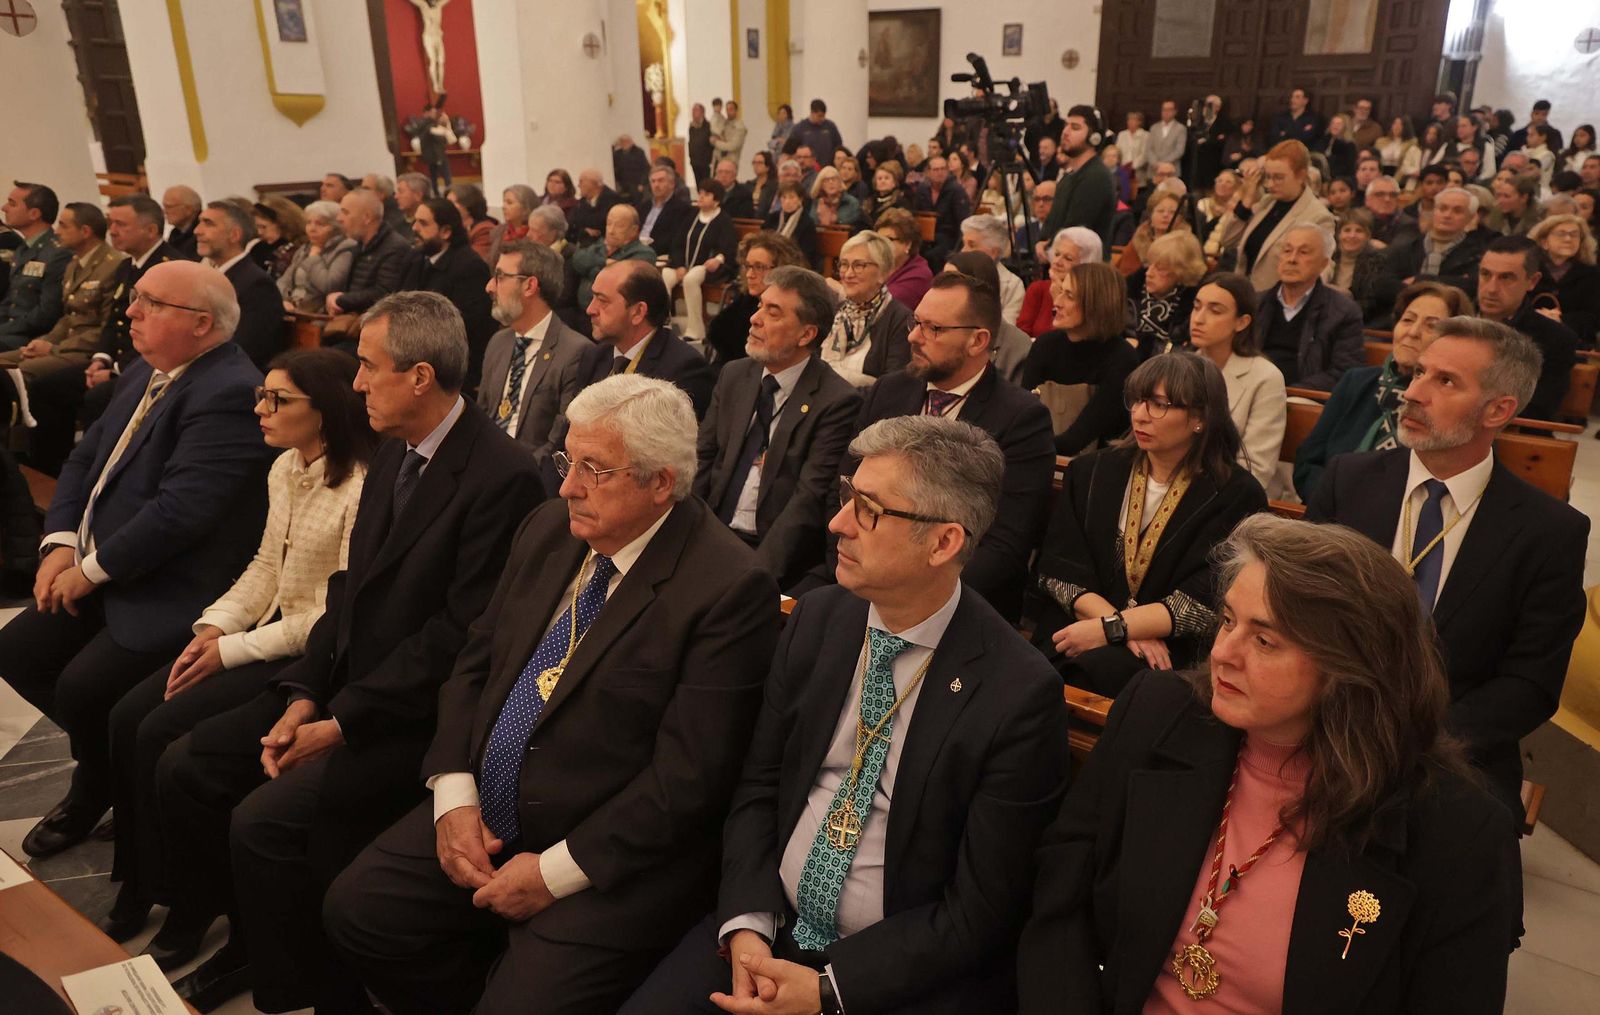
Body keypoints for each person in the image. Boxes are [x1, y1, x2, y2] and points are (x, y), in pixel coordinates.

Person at [324, 372, 780, 1014]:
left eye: (595, 470)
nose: (568, 485)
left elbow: (688, 781)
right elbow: (475, 662)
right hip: (486, 810)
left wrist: (552, 872)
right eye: (569, 460)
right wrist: (453, 792)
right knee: (358, 910)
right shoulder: (548, 527)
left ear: (660, 484)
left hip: (603, 852)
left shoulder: (728, 589)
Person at [152, 292, 544, 1012]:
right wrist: (303, 690)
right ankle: (260, 952)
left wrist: (341, 721)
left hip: (419, 717)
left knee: (265, 824)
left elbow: (459, 636)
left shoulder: (501, 474)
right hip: (348, 685)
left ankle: (311, 988)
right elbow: (350, 590)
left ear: (420, 376)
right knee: (188, 758)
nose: (355, 383)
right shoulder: (393, 446)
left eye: (368, 366)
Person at [631, 414, 1071, 1014]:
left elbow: (980, 910)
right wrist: (747, 924)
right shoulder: (818, 620)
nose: (837, 523)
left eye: (868, 509)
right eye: (846, 496)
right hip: (767, 930)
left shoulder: (1017, 694)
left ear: (944, 542)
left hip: (888, 976)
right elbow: (760, 788)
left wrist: (828, 990)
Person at [1020, 512, 1522, 1015]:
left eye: (1264, 640)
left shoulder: (1456, 832)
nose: (1222, 653)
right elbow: (1062, 895)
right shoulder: (1159, 714)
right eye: (1228, 621)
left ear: (1349, 670)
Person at [99, 348, 373, 950]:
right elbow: (264, 568)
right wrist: (215, 627)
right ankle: (141, 881)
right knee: (126, 717)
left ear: (324, 411)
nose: (261, 409)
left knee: (162, 737)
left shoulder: (359, 486)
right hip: (257, 637)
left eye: (278, 400)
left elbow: (334, 615)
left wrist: (237, 649)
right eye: (261, 396)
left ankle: (191, 906)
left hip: (305, 655)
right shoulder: (284, 468)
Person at [0, 260, 274, 861]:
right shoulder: (149, 371)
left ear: (201, 323)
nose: (130, 312)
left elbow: (180, 513)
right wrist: (60, 543)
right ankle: (112, 775)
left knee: (81, 687)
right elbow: (82, 461)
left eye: (150, 302)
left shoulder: (228, 391)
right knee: (18, 650)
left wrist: (88, 571)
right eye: (136, 299)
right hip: (108, 564)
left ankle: (98, 784)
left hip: (175, 584)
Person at [1306, 316, 1587, 817]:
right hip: (1321, 723)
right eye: (1417, 373)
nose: (1413, 392)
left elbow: (1531, 684)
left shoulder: (1549, 532)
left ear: (1498, 410)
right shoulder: (1347, 482)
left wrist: (1413, 742)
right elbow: (1300, 611)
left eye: (1446, 381)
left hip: (1453, 750)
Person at [809, 271, 1051, 622]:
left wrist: (911, 593)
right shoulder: (889, 391)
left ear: (978, 340)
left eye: (933, 329)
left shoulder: (1020, 418)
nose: (913, 336)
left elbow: (1004, 547)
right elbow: (844, 491)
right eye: (916, 322)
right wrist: (850, 571)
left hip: (955, 606)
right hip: (862, 581)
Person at [1026, 353, 1266, 695]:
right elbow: (1059, 569)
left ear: (1200, 417)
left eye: (1159, 404)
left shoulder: (1236, 494)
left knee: (1107, 677)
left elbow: (1208, 597)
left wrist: (1114, 631)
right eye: (1137, 400)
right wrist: (1116, 627)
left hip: (1171, 649)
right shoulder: (1091, 471)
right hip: (1080, 626)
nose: (1140, 414)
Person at [695, 265, 860, 585]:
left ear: (807, 334)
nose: (754, 319)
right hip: (711, 535)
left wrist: (753, 577)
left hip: (770, 552)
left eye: (773, 312)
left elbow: (807, 500)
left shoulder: (836, 400)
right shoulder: (734, 375)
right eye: (760, 307)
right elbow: (702, 460)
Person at [1294, 281, 1473, 500]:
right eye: (1407, 320)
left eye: (1431, 326)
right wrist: (1336, 501)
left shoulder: (1452, 400)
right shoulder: (1356, 381)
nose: (1413, 332)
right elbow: (1307, 462)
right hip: (1329, 513)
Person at [478, 238, 587, 472]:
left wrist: (509, 473)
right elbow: (482, 418)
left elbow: (559, 444)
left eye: (500, 277)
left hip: (530, 478)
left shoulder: (575, 352)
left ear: (529, 286)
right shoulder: (498, 343)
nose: (489, 286)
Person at [0, 202, 123, 395]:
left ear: (85, 231)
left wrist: (54, 347)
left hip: (85, 351)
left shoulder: (114, 266)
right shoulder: (75, 264)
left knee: (17, 374)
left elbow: (106, 327)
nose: (57, 232)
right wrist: (44, 342)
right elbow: (68, 317)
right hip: (64, 345)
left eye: (64, 226)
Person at [1023, 261, 1140, 456]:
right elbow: (1022, 415)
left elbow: (1075, 441)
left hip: (1095, 468)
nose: (1057, 302)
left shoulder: (1122, 359)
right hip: (1041, 455)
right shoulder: (1045, 345)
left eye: (1069, 296)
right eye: (1061, 292)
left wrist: (1027, 445)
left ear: (1098, 304)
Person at [1185, 273, 1286, 489]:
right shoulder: (1182, 368)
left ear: (1242, 322)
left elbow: (1256, 469)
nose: (1198, 318)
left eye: (1214, 310)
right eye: (1196, 306)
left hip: (1231, 494)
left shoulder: (1265, 377)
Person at [1474, 234, 1577, 420]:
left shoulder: (1556, 339)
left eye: (1506, 278)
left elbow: (1540, 409)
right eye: (1485, 274)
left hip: (1510, 435)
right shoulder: (1452, 314)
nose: (1491, 288)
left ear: (1532, 281)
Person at [400, 198, 497, 393]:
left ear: (446, 231)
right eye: (415, 221)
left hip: (452, 363)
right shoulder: (416, 258)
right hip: (415, 350)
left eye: (423, 223)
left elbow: (464, 325)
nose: (414, 228)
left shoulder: (469, 266)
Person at [1253, 224, 1364, 390]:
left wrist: (1290, 392)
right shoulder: (1255, 303)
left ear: (1323, 264)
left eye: (1303, 252)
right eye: (1287, 251)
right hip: (1253, 390)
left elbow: (1344, 371)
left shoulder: (1343, 311)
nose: (1292, 259)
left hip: (1303, 397)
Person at [1220, 140, 1337, 289]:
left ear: (1301, 175)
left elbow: (1322, 269)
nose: (1270, 184)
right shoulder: (1267, 202)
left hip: (1278, 301)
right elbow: (1227, 240)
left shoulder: (1318, 216)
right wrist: (1247, 200)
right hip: (1246, 294)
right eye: (1268, 177)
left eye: (1278, 177)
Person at [191, 201, 285, 370]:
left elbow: (246, 348)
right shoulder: (214, 276)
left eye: (208, 224)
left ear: (234, 235)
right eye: (199, 222)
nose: (197, 231)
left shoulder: (256, 284)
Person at [819, 231, 913, 389]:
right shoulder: (834, 311)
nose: (848, 274)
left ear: (883, 272)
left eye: (858, 265)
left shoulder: (900, 319)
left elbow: (893, 388)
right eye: (843, 264)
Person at [706, 231, 807, 370]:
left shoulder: (793, 310)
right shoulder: (744, 301)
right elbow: (718, 333)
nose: (749, 274)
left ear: (782, 269)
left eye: (759, 267)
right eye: (748, 266)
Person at [660, 180, 738, 343]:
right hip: (685, 266)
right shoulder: (691, 216)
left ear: (716, 200)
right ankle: (664, 321)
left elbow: (728, 248)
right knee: (666, 274)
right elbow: (677, 243)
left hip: (709, 268)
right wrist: (680, 265)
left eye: (706, 195)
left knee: (691, 278)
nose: (701, 197)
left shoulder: (723, 220)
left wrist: (718, 259)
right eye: (700, 193)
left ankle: (696, 329)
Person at [943, 250, 1030, 386]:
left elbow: (1018, 402)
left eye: (950, 282)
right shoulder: (938, 330)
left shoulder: (1017, 347)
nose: (941, 290)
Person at [1039, 106, 1117, 256]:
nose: (1065, 132)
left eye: (1075, 127)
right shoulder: (1069, 176)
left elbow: (1076, 227)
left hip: (1084, 268)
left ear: (1094, 137)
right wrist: (1042, 241)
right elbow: (1053, 220)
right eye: (1065, 126)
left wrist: (1048, 246)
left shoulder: (1096, 176)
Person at [0, 182, 70, 347]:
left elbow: (46, 314)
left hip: (32, 338)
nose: (4, 208)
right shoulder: (23, 249)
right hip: (9, 332)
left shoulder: (57, 253)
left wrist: (5, 329)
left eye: (12, 203)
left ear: (34, 213)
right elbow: (9, 300)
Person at [326, 190, 410, 318]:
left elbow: (384, 293)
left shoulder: (395, 247)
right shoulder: (360, 244)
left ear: (367, 218)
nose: (339, 218)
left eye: (345, 212)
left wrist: (341, 300)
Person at [1387, 186, 1488, 293]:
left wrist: (1420, 280)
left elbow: (1473, 285)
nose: (1447, 215)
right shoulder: (1408, 247)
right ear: (1434, 211)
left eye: (1457, 211)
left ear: (1471, 217)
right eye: (1442, 208)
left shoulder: (1477, 254)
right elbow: (1384, 283)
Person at [1127, 232, 1206, 360]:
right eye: (1149, 264)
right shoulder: (1129, 293)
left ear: (1181, 273)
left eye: (1160, 269)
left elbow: (1187, 353)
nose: (1148, 273)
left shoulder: (1193, 307)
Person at [1529, 214, 1599, 347]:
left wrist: (1561, 319)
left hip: (1575, 344)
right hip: (1531, 341)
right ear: (1544, 242)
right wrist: (1539, 317)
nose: (1568, 239)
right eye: (1561, 234)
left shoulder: (1592, 273)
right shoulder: (1530, 269)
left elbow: (1594, 316)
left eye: (1574, 235)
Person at [1324, 208, 1404, 325]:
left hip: (1362, 323)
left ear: (1368, 236)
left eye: (1359, 231)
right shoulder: (1328, 258)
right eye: (1347, 230)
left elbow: (1371, 304)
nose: (1352, 235)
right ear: (1339, 234)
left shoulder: (1378, 262)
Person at [275, 200, 356, 314]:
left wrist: (314, 258)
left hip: (319, 315)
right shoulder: (304, 248)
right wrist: (283, 300)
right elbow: (284, 281)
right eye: (309, 223)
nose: (312, 229)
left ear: (335, 227)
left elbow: (329, 285)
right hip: (294, 310)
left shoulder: (345, 248)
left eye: (320, 224)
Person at [571, 204, 656, 309]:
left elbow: (620, 280)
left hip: (617, 315)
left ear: (634, 230)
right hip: (582, 312)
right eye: (609, 224)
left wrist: (589, 270)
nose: (611, 231)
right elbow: (577, 260)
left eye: (619, 225)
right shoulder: (599, 246)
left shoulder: (644, 253)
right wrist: (604, 262)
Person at [1020, 227, 1099, 338]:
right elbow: (1020, 336)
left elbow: (1074, 338)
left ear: (1085, 266)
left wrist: (1058, 298)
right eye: (1057, 254)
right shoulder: (1037, 289)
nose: (1057, 262)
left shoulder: (1090, 297)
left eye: (1068, 258)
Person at [959, 214, 1024, 323]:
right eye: (964, 244)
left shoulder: (1013, 285)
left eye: (971, 245)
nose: (963, 251)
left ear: (993, 252)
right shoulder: (955, 273)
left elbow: (1007, 329)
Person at [913, 155, 972, 270]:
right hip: (924, 237)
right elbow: (916, 214)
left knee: (933, 255)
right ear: (929, 172)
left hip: (948, 237)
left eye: (943, 169)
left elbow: (962, 221)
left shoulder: (956, 190)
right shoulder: (922, 189)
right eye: (936, 169)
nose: (939, 173)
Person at [875, 207, 933, 312]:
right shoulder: (879, 265)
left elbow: (884, 306)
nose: (881, 245)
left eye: (889, 239)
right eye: (879, 240)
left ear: (907, 244)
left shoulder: (920, 275)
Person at [249, 196, 305, 280]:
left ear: (282, 225)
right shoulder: (257, 247)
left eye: (263, 227)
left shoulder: (295, 250)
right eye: (257, 227)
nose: (259, 232)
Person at [765, 181, 818, 266]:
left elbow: (806, 254)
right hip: (770, 261)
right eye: (784, 197)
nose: (787, 201)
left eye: (791, 197)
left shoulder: (806, 222)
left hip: (794, 264)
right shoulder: (772, 218)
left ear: (800, 199)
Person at [568, 169, 622, 246]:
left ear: (593, 183)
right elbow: (571, 224)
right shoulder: (581, 203)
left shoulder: (613, 201)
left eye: (581, 181)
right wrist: (584, 231)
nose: (578, 185)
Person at [446, 183, 497, 264]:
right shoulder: (452, 227)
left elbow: (472, 261)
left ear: (467, 205)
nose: (446, 207)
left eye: (451, 203)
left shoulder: (485, 230)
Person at [792, 98, 845, 167]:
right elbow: (792, 150)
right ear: (812, 112)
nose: (822, 119)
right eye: (819, 116)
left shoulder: (830, 126)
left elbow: (838, 145)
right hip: (808, 168)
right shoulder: (800, 128)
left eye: (823, 116)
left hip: (827, 166)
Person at [161, 185, 203, 260]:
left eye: (169, 207)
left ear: (189, 209)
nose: (165, 211)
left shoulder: (203, 233)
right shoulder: (175, 234)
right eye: (164, 207)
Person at [1314, 113, 1358, 181]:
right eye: (1333, 123)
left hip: (1338, 178)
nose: (1334, 126)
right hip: (1320, 175)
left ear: (1345, 127)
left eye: (1338, 124)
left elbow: (1346, 168)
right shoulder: (1324, 140)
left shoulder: (1349, 146)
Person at [1116, 110, 1151, 185]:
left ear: (1139, 122)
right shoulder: (1122, 134)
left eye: (1133, 119)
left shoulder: (1145, 136)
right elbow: (1117, 151)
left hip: (1138, 173)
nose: (1130, 122)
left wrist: (1132, 167)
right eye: (1129, 119)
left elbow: (1144, 155)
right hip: (1122, 171)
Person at [713, 98, 748, 165]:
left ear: (736, 110)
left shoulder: (740, 127)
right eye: (727, 109)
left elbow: (733, 146)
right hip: (719, 158)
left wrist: (716, 142)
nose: (728, 112)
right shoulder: (724, 123)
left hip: (731, 160)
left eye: (731, 109)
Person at [688, 102, 715, 185]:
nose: (693, 113)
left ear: (702, 112)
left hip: (705, 163)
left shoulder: (709, 126)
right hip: (695, 162)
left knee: (707, 184)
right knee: (698, 184)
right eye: (693, 111)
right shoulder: (691, 127)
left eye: (696, 111)